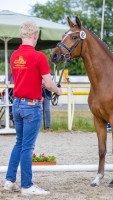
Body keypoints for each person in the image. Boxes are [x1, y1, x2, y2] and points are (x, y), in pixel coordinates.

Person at [3, 21, 62, 196]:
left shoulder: (14, 55)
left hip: (17, 104)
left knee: (19, 143)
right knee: (27, 147)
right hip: (31, 106)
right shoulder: (39, 57)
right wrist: (58, 90)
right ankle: (27, 185)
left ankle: (9, 180)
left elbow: (26, 77)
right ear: (35, 36)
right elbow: (49, 84)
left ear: (22, 35)